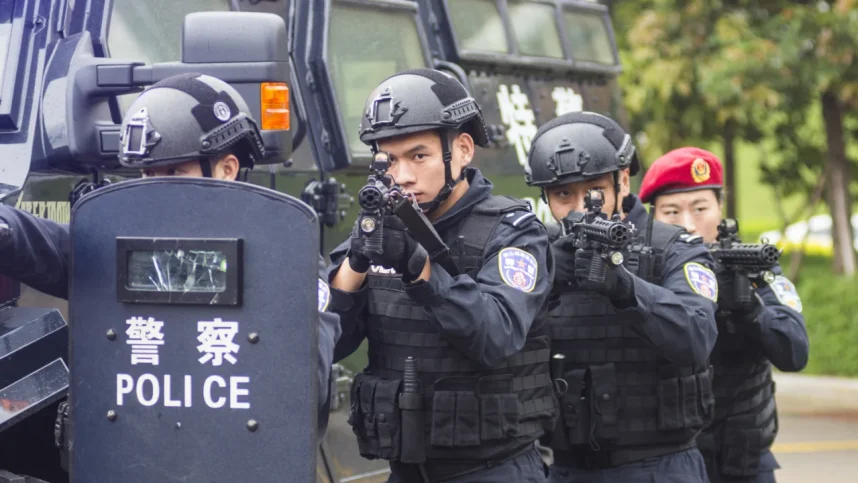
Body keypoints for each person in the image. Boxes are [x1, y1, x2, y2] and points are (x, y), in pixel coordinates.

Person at [0, 73, 341, 441]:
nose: (157, 190)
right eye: (148, 174)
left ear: (226, 170)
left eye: (174, 172)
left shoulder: (284, 254)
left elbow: (307, 387)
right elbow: (50, 245)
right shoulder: (127, 246)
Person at [328, 68, 556, 483]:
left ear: (463, 150)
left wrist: (420, 270)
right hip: (404, 469)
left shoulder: (512, 230)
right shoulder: (379, 227)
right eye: (389, 160)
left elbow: (496, 337)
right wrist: (356, 263)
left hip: (493, 468)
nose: (403, 176)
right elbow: (326, 344)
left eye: (419, 156)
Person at [523, 111, 719, 483]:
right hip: (566, 468)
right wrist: (546, 277)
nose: (581, 207)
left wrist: (626, 288)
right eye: (564, 194)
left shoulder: (674, 249)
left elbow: (697, 338)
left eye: (594, 190)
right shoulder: (537, 253)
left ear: (624, 181)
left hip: (660, 466)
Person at [639, 147, 809, 483]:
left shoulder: (751, 266)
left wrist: (751, 309)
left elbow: (795, 351)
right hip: (666, 462)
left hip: (743, 461)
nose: (688, 224)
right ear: (652, 217)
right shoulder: (641, 275)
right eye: (671, 211)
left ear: (721, 209)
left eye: (700, 208)